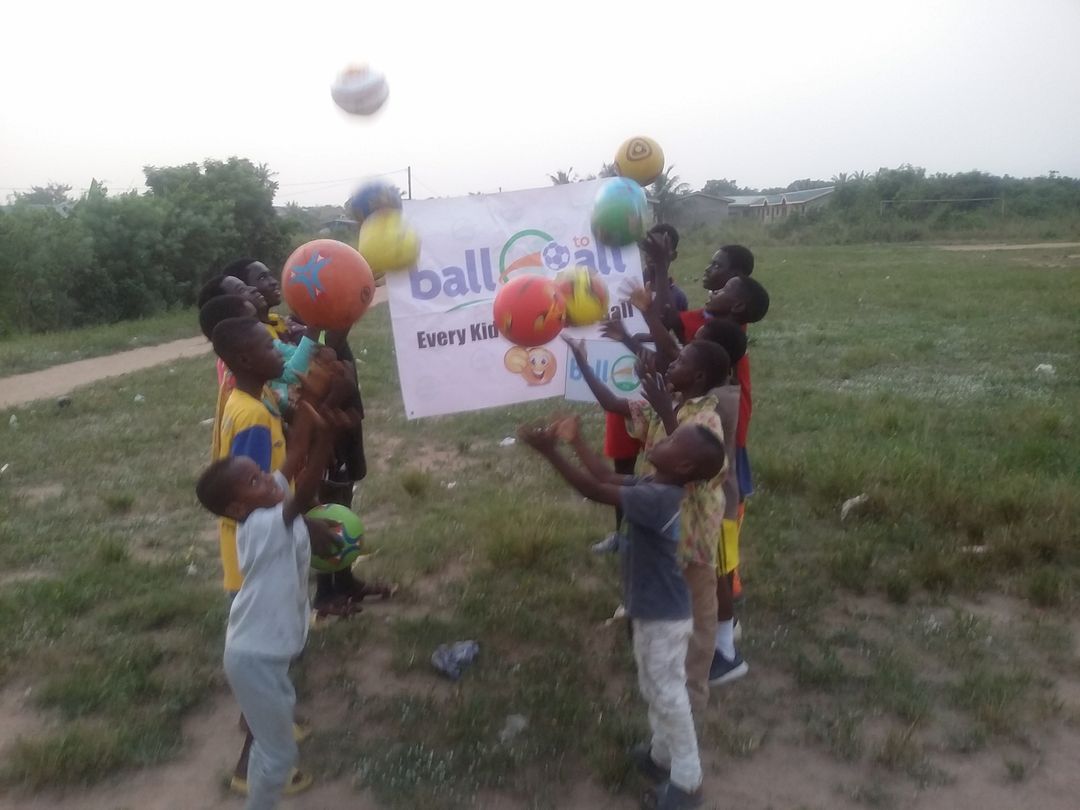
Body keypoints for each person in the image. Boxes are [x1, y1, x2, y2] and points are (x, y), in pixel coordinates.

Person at [520, 417, 725, 810]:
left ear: (683, 466)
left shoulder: (659, 500)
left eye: (673, 440)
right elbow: (602, 474)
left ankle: (688, 781)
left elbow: (593, 489)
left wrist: (551, 453)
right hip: (652, 611)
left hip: (664, 618)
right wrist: (576, 441)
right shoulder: (654, 484)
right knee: (654, 686)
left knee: (668, 693)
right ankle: (661, 756)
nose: (664, 439)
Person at [564, 336, 730, 717]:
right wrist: (583, 361)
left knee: (698, 625)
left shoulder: (707, 419)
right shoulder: (665, 401)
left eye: (681, 361)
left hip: (692, 543)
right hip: (661, 538)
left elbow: (701, 471)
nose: (671, 364)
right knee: (663, 616)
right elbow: (612, 403)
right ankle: (661, 683)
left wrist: (666, 412)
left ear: (699, 377)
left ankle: (690, 701)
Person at [195, 400, 343, 808]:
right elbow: (303, 491)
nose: (268, 479)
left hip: (266, 655)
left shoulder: (265, 500)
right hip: (254, 659)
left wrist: (309, 416)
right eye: (255, 481)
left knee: (273, 739)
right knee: (279, 755)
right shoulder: (260, 524)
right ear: (238, 508)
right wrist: (327, 440)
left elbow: (292, 460)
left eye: (261, 473)